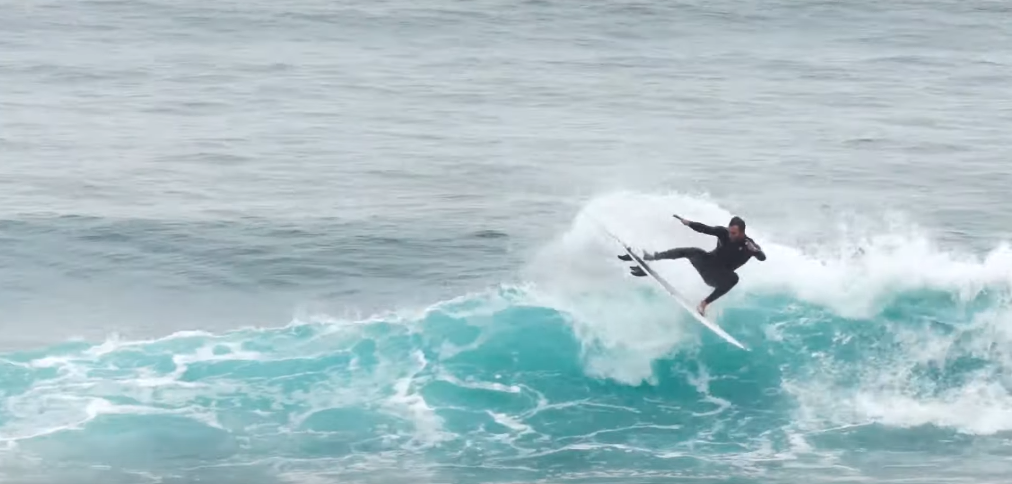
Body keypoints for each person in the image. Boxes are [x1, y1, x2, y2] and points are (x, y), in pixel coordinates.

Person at [619, 215, 766, 315]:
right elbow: (706, 229)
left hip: (718, 277)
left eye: (734, 233)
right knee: (692, 251)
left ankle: (704, 304)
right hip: (707, 264)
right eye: (730, 232)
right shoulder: (723, 233)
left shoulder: (749, 245)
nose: (730, 235)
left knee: (734, 278)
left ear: (742, 232)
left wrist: (756, 251)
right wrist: (689, 223)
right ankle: (650, 257)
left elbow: (762, 258)